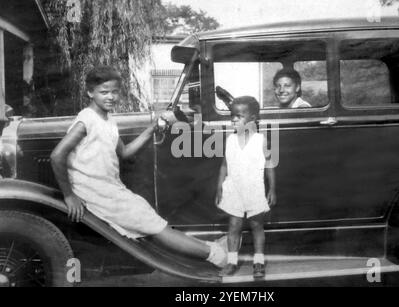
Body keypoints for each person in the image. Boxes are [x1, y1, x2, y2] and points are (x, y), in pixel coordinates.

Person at [50, 66, 226, 268]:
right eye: (104, 92)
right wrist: (69, 195)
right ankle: (215, 255)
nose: (111, 97)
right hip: (94, 192)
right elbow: (57, 155)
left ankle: (206, 245)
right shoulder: (87, 119)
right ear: (90, 92)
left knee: (148, 216)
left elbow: (124, 153)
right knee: (155, 225)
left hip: (108, 189)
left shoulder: (108, 120)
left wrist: (152, 129)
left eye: (115, 92)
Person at [215, 96, 277, 278]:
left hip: (254, 190)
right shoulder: (230, 141)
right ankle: (232, 262)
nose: (234, 119)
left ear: (253, 119)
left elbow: (269, 165)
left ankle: (258, 262)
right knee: (233, 227)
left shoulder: (261, 141)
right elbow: (224, 166)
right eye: (232, 115)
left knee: (257, 226)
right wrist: (219, 188)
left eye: (239, 116)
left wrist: (272, 189)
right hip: (233, 189)